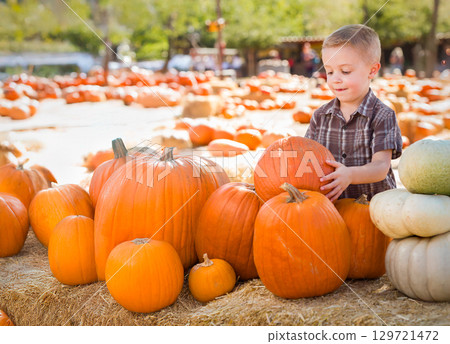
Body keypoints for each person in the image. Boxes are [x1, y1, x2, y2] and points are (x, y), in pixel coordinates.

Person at [305, 24, 402, 202]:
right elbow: (308, 159)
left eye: (345, 71)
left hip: (374, 210)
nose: (336, 79)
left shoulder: (383, 116)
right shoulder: (320, 116)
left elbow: (381, 166)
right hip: (332, 209)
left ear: (372, 70)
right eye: (330, 71)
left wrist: (350, 175)